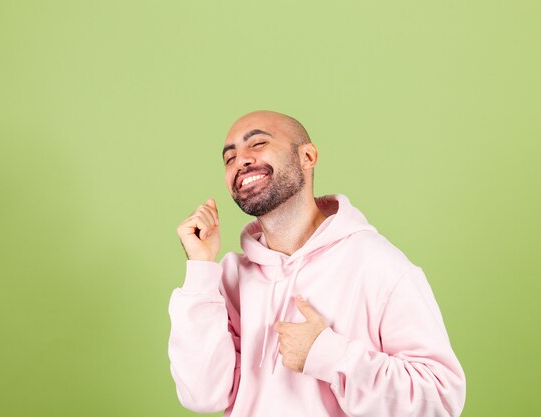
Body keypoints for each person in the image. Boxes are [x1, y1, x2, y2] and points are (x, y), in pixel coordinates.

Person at [168, 110, 466, 417]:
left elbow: (441, 400)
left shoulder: (379, 265)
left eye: (257, 143)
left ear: (307, 156)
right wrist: (201, 268)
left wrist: (329, 355)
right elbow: (203, 397)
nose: (240, 161)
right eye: (229, 159)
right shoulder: (229, 278)